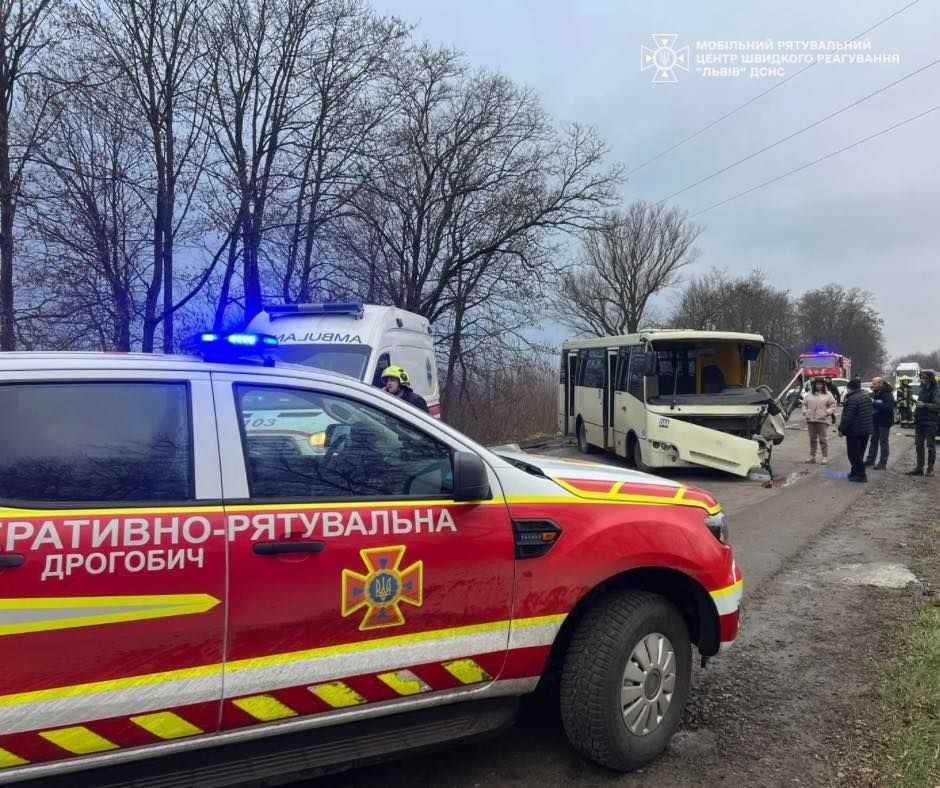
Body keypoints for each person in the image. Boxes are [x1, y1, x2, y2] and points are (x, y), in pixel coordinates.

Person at [838, 377, 873, 482]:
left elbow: (848, 417)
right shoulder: (865, 396)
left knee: (853, 454)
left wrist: (841, 429)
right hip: (865, 430)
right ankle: (854, 472)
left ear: (849, 388)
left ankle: (861, 475)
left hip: (855, 431)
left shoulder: (852, 399)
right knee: (859, 453)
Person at [907, 369, 940, 477]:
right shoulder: (922, 390)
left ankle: (930, 469)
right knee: (919, 445)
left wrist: (924, 405)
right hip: (919, 421)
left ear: (929, 378)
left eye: (923, 377)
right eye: (920, 377)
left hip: (930, 422)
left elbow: (937, 406)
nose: (920, 379)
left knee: (930, 446)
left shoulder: (936, 390)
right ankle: (919, 468)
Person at [802, 377, 837, 464]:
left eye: (820, 384)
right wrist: (805, 412)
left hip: (822, 420)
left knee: (823, 440)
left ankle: (824, 457)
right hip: (810, 420)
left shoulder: (828, 394)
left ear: (823, 384)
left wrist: (827, 412)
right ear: (814, 385)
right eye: (817, 384)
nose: (819, 386)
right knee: (812, 440)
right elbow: (804, 404)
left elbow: (833, 405)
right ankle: (812, 457)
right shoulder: (809, 394)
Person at [865, 376, 895, 470]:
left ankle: (883, 463)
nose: (872, 385)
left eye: (874, 384)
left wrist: (873, 402)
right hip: (875, 420)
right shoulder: (876, 392)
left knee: (883, 442)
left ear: (880, 384)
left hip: (884, 421)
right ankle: (870, 460)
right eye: (872, 383)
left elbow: (888, 408)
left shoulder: (887, 394)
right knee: (873, 440)